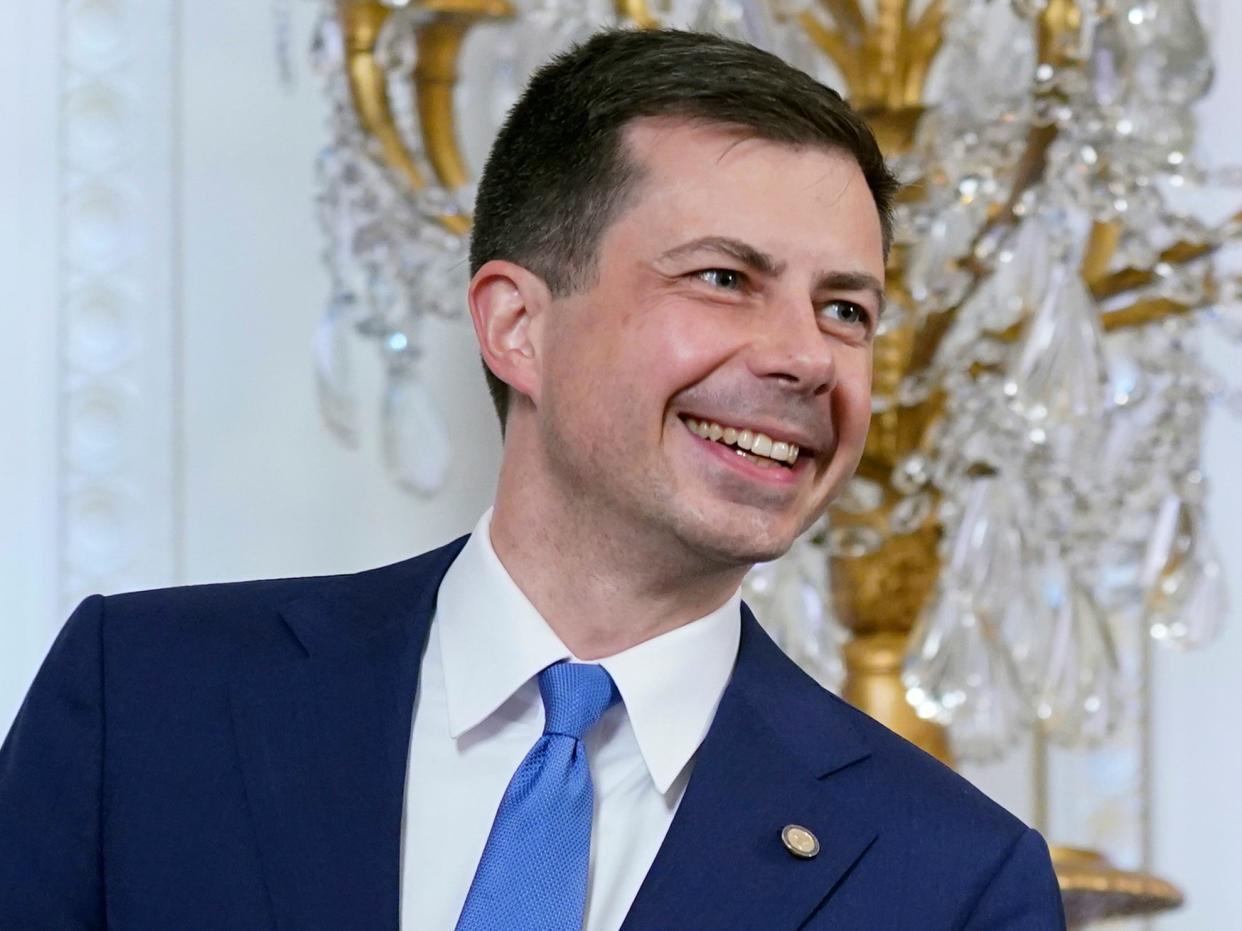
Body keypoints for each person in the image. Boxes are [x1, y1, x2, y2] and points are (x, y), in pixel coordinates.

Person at [0, 28, 1065, 931]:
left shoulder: (956, 880)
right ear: (518, 325)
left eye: (847, 310)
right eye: (726, 278)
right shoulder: (143, 701)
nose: (805, 356)